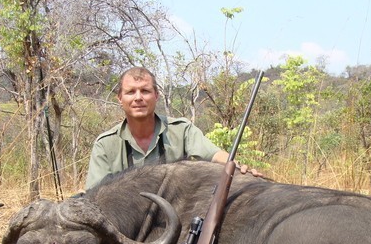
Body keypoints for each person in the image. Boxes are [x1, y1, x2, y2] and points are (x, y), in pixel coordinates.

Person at [85, 66, 261, 189]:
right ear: (120, 98)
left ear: (156, 95)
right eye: (131, 92)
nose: (138, 98)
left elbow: (214, 154)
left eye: (145, 91)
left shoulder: (181, 130)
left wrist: (237, 167)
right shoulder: (105, 145)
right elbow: (95, 196)